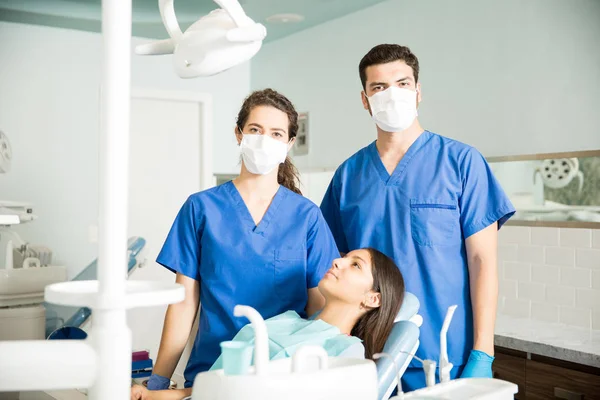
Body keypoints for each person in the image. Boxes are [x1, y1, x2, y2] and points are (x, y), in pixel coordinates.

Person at [320, 44, 515, 391]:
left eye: (403, 84)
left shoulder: (462, 164)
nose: (391, 95)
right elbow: (332, 271)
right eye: (379, 88)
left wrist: (483, 353)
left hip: (444, 356)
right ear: (364, 99)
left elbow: (483, 262)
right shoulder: (348, 177)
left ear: (418, 92)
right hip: (367, 357)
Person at [145, 89, 341, 392]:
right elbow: (184, 304)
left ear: (289, 144)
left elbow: (320, 309)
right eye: (255, 130)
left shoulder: (306, 217)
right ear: (239, 134)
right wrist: (158, 381)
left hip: (281, 374)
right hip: (211, 372)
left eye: (277, 133)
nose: (265, 140)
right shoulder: (201, 208)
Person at [131, 248, 405, 400]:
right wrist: (148, 395)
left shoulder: (347, 352)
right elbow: (207, 390)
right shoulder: (285, 320)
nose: (338, 261)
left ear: (373, 299)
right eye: (344, 257)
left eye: (354, 265)